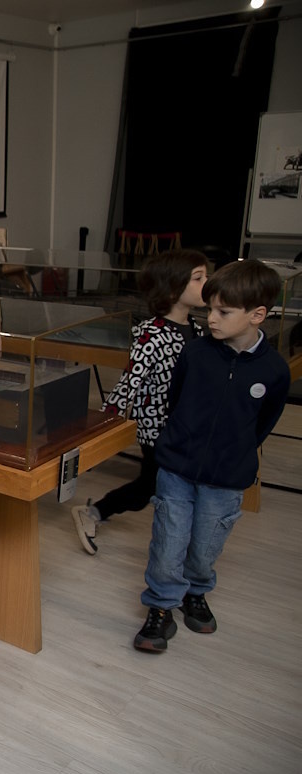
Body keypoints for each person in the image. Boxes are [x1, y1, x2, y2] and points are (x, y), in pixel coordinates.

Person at [133, 259, 289, 653]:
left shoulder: (274, 370)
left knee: (205, 546)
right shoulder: (195, 353)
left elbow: (264, 423)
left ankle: (196, 591)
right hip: (177, 468)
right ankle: (161, 606)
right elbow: (175, 400)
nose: (211, 319)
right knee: (168, 541)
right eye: (210, 310)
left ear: (257, 315)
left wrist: (234, 450)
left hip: (226, 478)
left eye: (223, 312)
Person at [72, 250, 208, 554]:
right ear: (172, 289)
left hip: (187, 428)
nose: (207, 284)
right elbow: (127, 385)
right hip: (158, 432)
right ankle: (94, 512)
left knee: (157, 485)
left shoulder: (198, 330)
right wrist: (97, 434)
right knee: (151, 485)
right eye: (198, 278)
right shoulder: (151, 336)